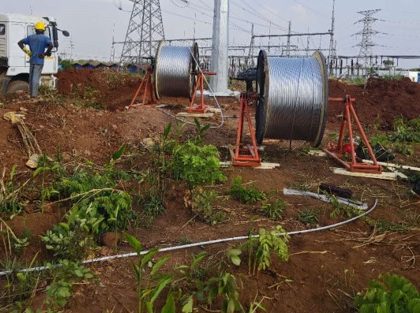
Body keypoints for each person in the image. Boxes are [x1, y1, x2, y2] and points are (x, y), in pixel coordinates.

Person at [18, 21, 53, 97]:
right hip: (39, 60)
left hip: (32, 60)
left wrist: (28, 52)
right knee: (35, 78)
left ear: (36, 29)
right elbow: (51, 45)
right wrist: (45, 53)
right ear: (43, 30)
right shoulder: (45, 38)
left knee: (31, 77)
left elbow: (20, 43)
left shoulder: (30, 37)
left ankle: (31, 94)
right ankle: (34, 95)